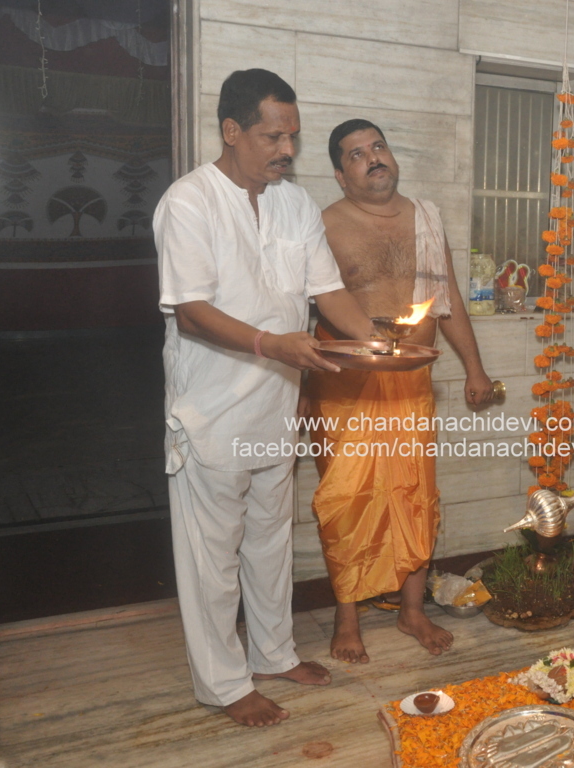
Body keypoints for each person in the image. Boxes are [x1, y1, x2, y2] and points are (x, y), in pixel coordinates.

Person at [155, 70, 377, 727]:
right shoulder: (189, 202)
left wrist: (377, 343)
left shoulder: (295, 203)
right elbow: (191, 312)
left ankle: (274, 654)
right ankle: (224, 685)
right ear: (231, 131)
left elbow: (326, 292)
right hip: (212, 412)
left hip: (277, 407)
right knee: (212, 558)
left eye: (293, 137)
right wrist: (273, 344)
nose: (287, 149)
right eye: (272, 136)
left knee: (270, 543)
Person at [304, 119, 493, 663]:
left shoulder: (425, 218)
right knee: (346, 501)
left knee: (414, 495)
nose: (373, 158)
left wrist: (475, 368)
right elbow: (304, 307)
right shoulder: (325, 225)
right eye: (356, 154)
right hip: (347, 387)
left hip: (411, 383)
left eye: (378, 146)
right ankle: (347, 616)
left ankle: (413, 611)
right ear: (341, 175)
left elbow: (447, 299)